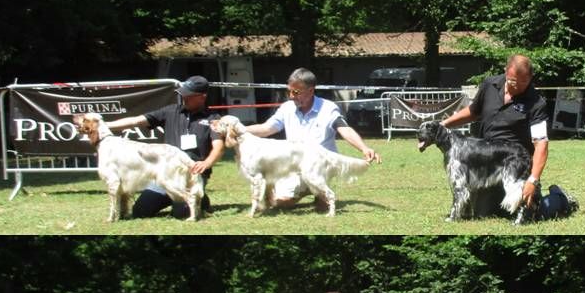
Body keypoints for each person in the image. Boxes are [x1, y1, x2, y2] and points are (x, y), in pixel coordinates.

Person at [442, 54, 576, 220]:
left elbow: (541, 144)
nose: (518, 86)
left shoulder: (536, 103)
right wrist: (445, 124)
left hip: (517, 165)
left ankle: (560, 198)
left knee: (531, 213)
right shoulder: (489, 85)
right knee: (482, 214)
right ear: (506, 72)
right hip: (489, 164)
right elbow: (473, 111)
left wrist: (532, 180)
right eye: (513, 81)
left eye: (523, 82)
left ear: (530, 77)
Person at [245, 68, 380, 210]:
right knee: (281, 202)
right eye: (289, 91)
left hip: (321, 165)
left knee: (323, 207)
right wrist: (240, 130)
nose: (291, 96)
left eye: (296, 92)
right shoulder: (286, 108)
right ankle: (305, 189)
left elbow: (344, 129)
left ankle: (317, 191)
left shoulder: (328, 108)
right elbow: (267, 129)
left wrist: (364, 148)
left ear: (310, 91)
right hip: (295, 165)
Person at [106, 76, 225, 218]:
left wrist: (207, 163)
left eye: (188, 95)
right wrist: (105, 125)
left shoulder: (213, 118)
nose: (184, 98)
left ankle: (200, 199)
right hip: (165, 173)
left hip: (191, 174)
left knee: (182, 214)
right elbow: (136, 121)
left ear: (202, 97)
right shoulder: (170, 111)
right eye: (182, 94)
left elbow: (218, 146)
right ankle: (181, 196)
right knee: (140, 211)